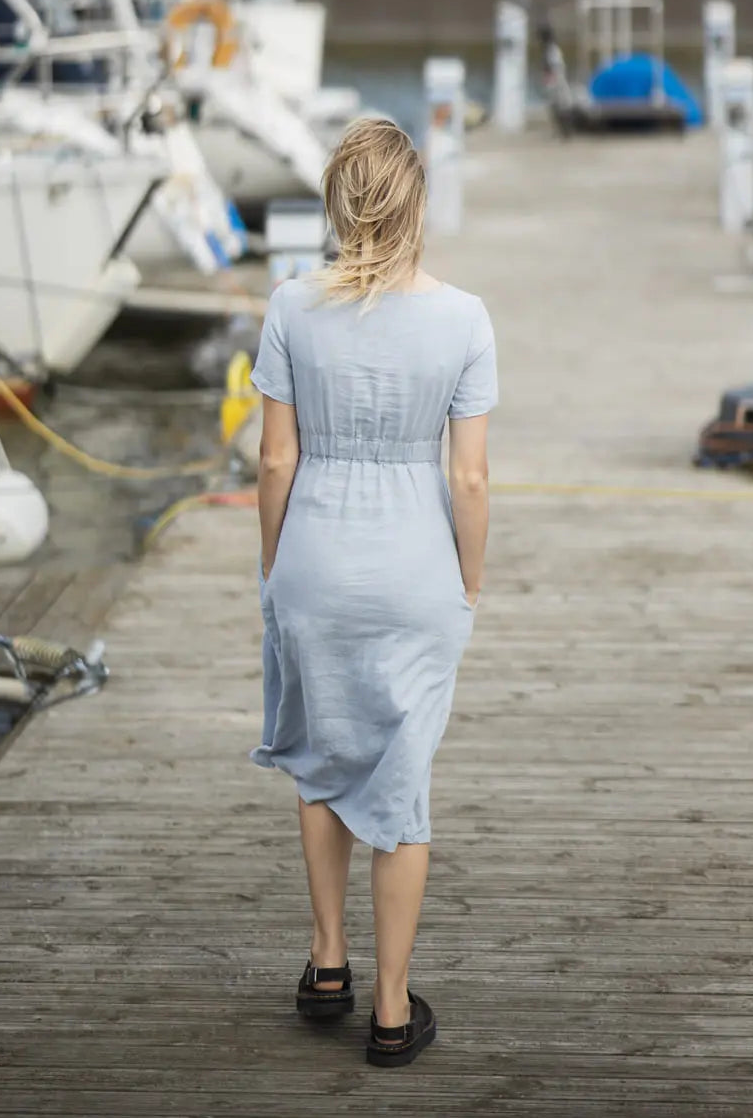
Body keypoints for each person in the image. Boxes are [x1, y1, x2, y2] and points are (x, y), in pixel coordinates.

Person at [250, 116, 497, 1069]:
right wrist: (468, 576)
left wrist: (276, 568)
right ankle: (391, 1011)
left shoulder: (289, 306)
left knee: (320, 756)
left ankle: (327, 963)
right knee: (402, 781)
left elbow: (276, 459)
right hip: (416, 568)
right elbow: (469, 481)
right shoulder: (464, 318)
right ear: (415, 204)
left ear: (337, 202)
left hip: (312, 554)